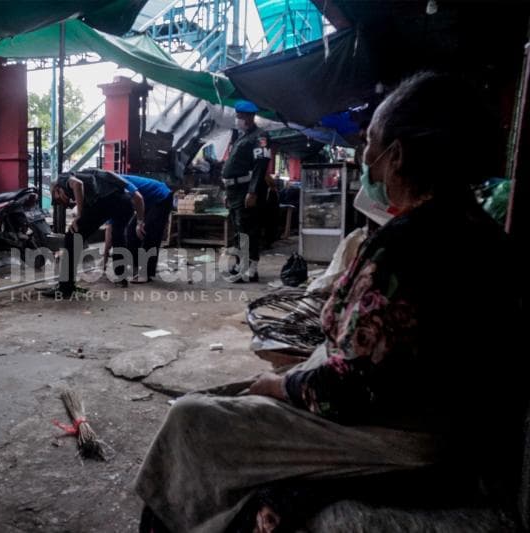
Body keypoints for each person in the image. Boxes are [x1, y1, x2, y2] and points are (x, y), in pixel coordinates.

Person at [135, 72, 524, 532]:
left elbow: (348, 390)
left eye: (372, 144)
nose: (367, 161)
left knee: (192, 418)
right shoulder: (481, 231)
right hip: (429, 417)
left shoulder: (408, 246)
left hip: (406, 434)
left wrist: (280, 385)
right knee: (226, 397)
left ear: (396, 156)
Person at [46, 169, 145, 298]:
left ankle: (65, 288)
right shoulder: (90, 181)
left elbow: (77, 184)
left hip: (108, 200)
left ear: (57, 189)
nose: (63, 202)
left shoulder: (62, 179)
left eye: (58, 199)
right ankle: (121, 277)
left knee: (72, 237)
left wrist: (80, 216)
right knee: (118, 235)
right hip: (125, 202)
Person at [222, 100, 273, 281]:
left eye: (240, 117)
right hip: (234, 190)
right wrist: (226, 192)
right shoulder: (242, 137)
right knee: (238, 229)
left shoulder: (260, 136)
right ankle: (240, 264)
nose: (238, 120)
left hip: (246, 189)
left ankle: (251, 268)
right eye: (237, 116)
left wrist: (252, 192)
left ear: (249, 117)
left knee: (248, 229)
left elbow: (261, 166)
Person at [102, 174, 173, 282]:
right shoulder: (109, 198)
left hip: (161, 197)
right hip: (147, 201)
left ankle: (146, 274)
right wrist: (105, 260)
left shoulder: (118, 183)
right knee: (131, 232)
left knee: (148, 233)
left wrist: (140, 222)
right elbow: (109, 230)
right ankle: (136, 268)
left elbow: (138, 198)